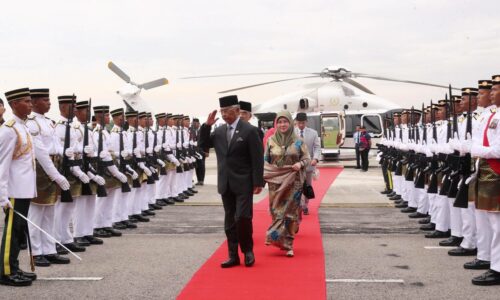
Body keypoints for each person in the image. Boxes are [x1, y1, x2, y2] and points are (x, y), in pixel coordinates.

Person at [199, 95, 264, 268]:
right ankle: (233, 255)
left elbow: (257, 158)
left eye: (227, 111)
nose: (225, 115)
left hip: (244, 182)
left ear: (237, 111)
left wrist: (258, 181)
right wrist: (206, 126)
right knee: (229, 221)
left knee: (242, 218)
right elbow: (203, 144)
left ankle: (248, 251)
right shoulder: (219, 131)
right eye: (222, 112)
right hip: (225, 182)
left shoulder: (249, 130)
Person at [25, 89, 72, 266]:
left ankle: (49, 249)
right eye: (45, 100)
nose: (49, 103)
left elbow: (54, 146)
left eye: (49, 100)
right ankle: (36, 252)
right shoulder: (32, 123)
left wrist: (65, 151)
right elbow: (40, 152)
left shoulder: (49, 123)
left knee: (50, 212)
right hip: (41, 170)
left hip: (54, 166)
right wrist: (55, 175)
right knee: (36, 213)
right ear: (35, 102)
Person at [0, 87, 37, 286]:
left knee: (19, 229)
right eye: (26, 101)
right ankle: (5, 272)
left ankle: (13, 266)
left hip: (24, 189)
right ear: (14, 104)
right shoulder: (9, 129)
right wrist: (2, 194)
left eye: (31, 101)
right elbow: (2, 164)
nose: (30, 105)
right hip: (13, 190)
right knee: (12, 231)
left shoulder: (23, 127)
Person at [264, 111, 310, 257]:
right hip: (275, 183)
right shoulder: (271, 140)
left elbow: (307, 158)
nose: (282, 125)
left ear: (291, 123)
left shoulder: (298, 141)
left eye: (285, 122)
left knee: (290, 214)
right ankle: (277, 237)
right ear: (276, 124)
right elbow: (265, 161)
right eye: (280, 122)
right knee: (276, 211)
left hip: (293, 183)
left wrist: (300, 163)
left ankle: (289, 244)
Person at [294, 112, 320, 215]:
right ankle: (300, 205)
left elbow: (317, 147)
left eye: (303, 123)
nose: (301, 125)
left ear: (306, 122)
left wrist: (316, 159)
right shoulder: (292, 133)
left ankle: (305, 205)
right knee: (297, 186)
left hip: (309, 165)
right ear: (296, 122)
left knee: (307, 186)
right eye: (299, 123)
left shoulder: (313, 133)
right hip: (295, 165)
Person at [191, 118, 206, 186]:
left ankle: (201, 180)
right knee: (196, 166)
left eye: (195, 124)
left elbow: (206, 141)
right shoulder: (192, 131)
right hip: (195, 151)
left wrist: (207, 151)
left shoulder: (202, 130)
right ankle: (198, 180)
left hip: (202, 151)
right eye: (192, 124)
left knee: (202, 166)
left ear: (198, 123)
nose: (193, 125)